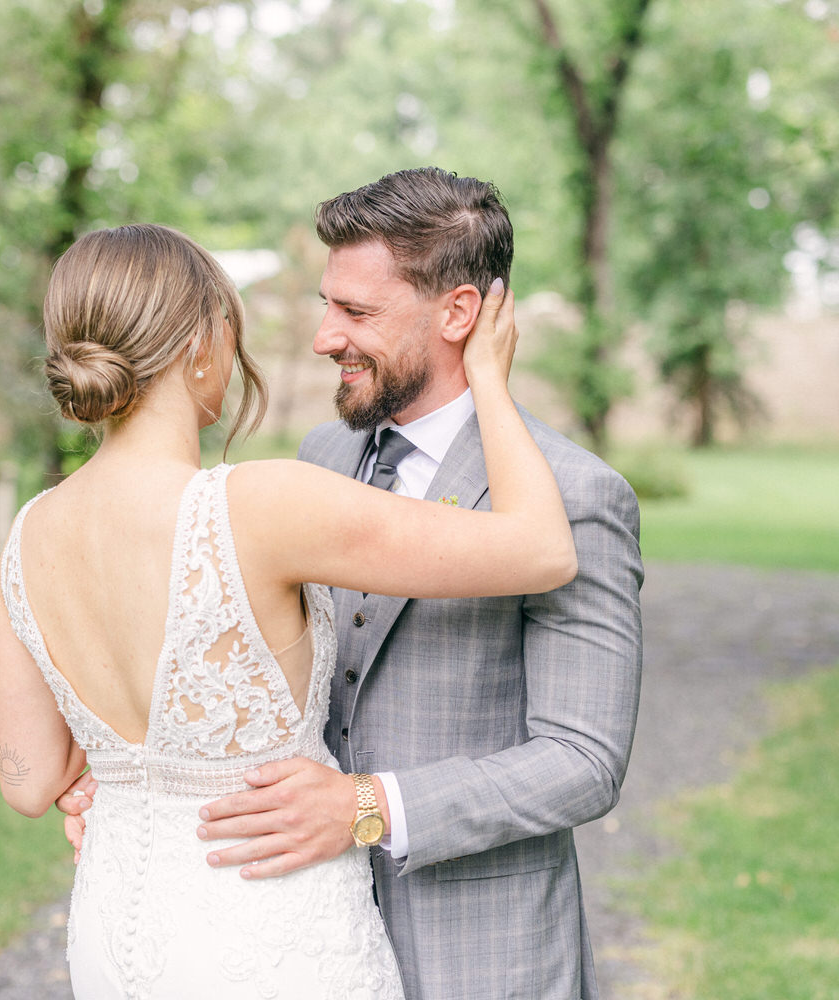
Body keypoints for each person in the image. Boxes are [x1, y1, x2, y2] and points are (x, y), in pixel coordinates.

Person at [0, 219, 578, 999]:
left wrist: (134, 769)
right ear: (203, 342)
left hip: (119, 930)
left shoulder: (30, 536)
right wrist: (491, 384)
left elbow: (29, 782)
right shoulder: (260, 504)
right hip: (270, 928)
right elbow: (542, 549)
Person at [165, 168, 643, 999]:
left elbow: (583, 760)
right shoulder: (323, 458)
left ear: (458, 312)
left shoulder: (574, 496)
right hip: (307, 935)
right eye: (327, 304)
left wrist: (365, 807)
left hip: (483, 954)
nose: (323, 337)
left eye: (355, 312)